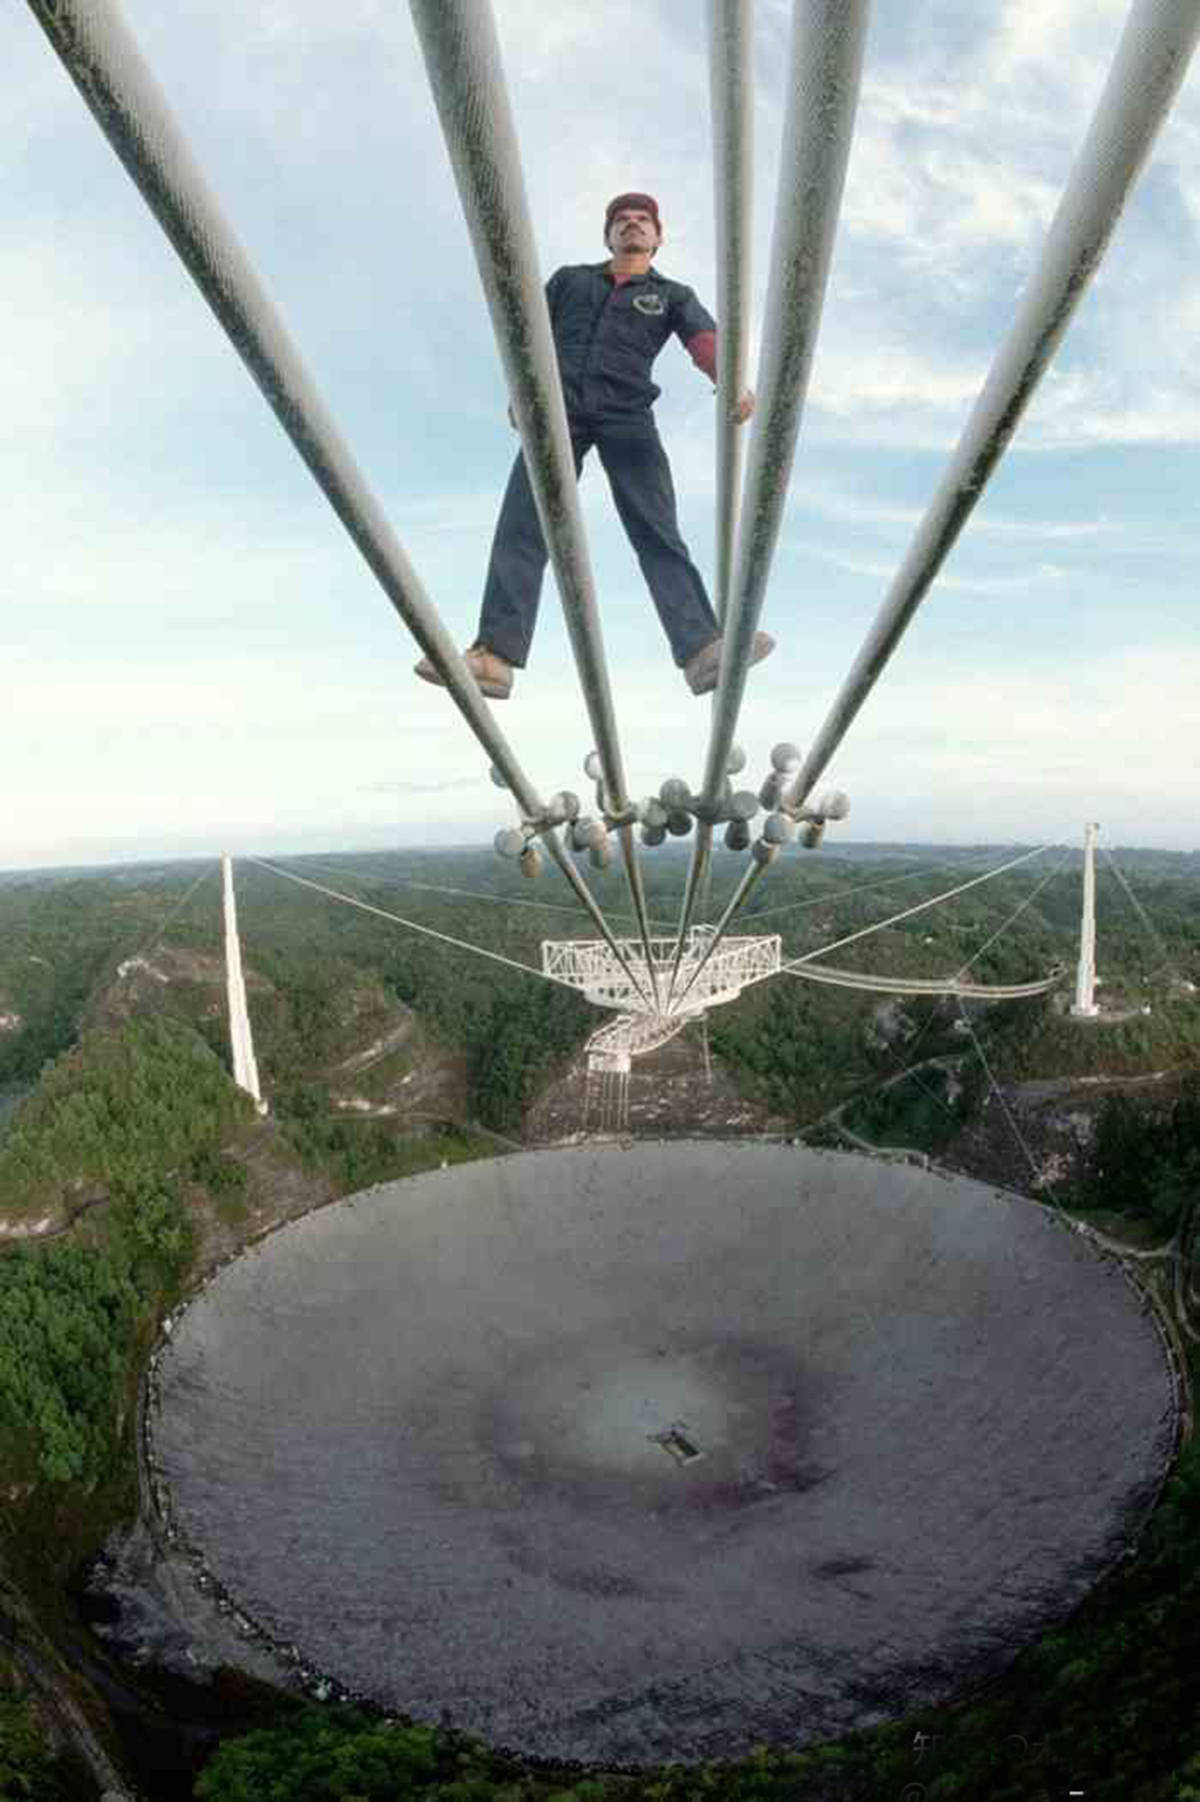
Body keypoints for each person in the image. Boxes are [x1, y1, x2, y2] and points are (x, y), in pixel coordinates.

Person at [415, 191, 774, 701]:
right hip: (558, 414)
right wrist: (522, 393)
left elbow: (705, 340)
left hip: (627, 414)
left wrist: (732, 382)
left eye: (643, 220)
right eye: (622, 221)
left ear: (657, 237)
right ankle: (494, 656)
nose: (632, 226)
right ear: (608, 235)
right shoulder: (570, 280)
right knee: (523, 523)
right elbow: (525, 334)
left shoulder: (671, 294)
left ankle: (701, 649)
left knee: (656, 527)